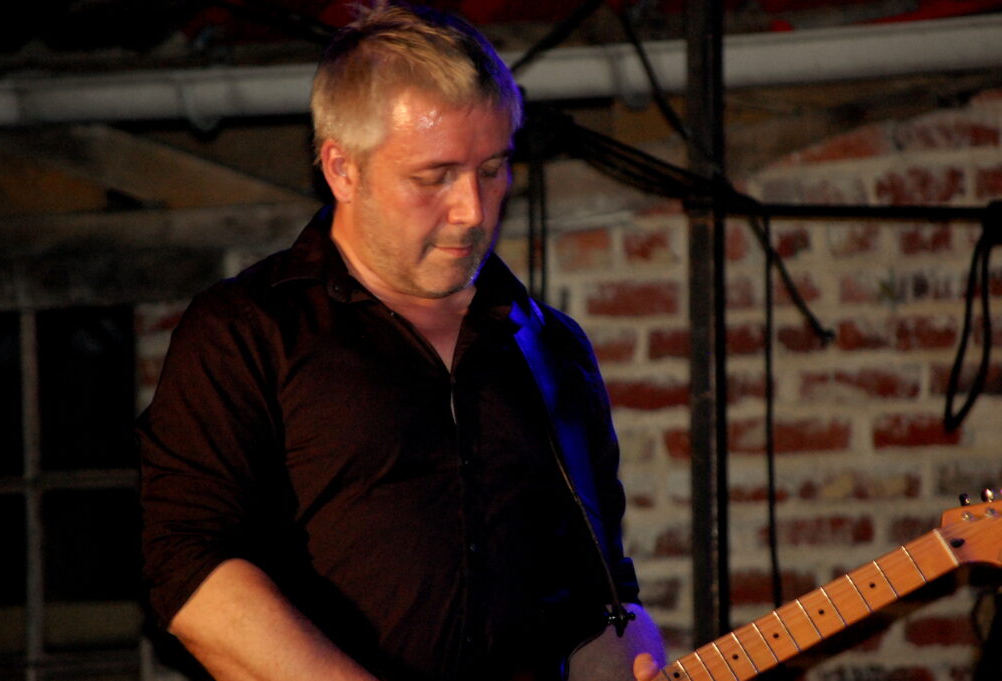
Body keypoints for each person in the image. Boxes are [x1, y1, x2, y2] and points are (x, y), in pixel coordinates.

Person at [138, 2, 665, 680]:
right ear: (342, 168)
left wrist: (632, 659)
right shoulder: (245, 331)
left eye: (492, 169)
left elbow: (603, 604)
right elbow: (190, 569)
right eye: (435, 176)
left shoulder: (551, 348)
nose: (473, 209)